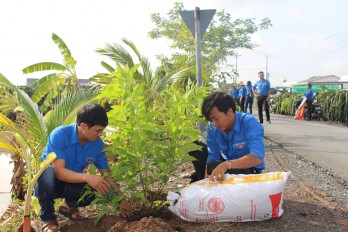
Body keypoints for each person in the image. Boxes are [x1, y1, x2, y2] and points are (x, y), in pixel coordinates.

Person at [34, 104, 133, 232]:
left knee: (103, 185)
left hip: (74, 186)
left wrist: (121, 200)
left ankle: (72, 206)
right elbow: (59, 172)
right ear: (83, 126)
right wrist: (87, 177)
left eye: (102, 130)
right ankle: (49, 220)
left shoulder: (97, 144)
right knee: (47, 172)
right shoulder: (60, 135)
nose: (100, 134)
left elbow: (106, 175)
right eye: (98, 130)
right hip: (51, 185)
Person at [189, 91, 265, 182]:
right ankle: (205, 182)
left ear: (229, 112)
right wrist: (207, 175)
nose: (213, 123)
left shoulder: (249, 123)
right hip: (226, 165)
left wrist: (226, 165)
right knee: (194, 147)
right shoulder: (212, 127)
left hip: (249, 169)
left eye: (216, 119)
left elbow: (257, 158)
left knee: (214, 166)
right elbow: (213, 155)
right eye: (211, 120)